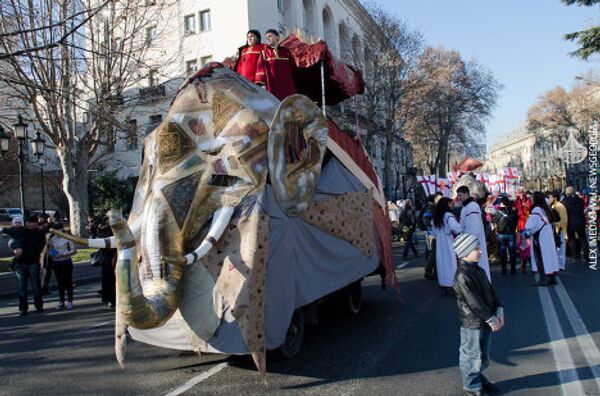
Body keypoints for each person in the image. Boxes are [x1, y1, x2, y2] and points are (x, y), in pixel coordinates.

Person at [452, 233, 504, 396]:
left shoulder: (478, 269)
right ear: (464, 252)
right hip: (472, 323)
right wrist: (490, 317)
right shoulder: (462, 276)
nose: (480, 251)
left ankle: (478, 379)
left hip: (484, 321)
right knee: (471, 356)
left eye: (479, 248)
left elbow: (491, 290)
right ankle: (472, 386)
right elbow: (473, 301)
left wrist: (499, 307)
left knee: (482, 357)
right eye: (476, 249)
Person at [523, 192, 560, 286]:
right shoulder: (546, 209)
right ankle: (552, 278)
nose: (531, 199)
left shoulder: (536, 209)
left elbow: (531, 225)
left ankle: (543, 280)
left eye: (532, 197)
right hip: (548, 236)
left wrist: (526, 233)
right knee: (550, 257)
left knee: (540, 258)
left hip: (540, 238)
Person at [12, 216, 46, 315]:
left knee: (36, 285)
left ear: (35, 223)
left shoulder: (39, 233)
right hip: (20, 263)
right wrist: (14, 249)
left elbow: (39, 247)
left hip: (33, 262)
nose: (29, 224)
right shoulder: (22, 231)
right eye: (28, 222)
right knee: (21, 287)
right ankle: (23, 308)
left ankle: (39, 306)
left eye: (31, 222)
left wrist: (24, 251)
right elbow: (13, 241)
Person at [457, 186, 490, 281]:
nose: (459, 198)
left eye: (460, 195)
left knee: (477, 266)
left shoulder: (472, 206)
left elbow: (474, 227)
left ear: (467, 194)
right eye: (458, 195)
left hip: (473, 243)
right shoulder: (467, 207)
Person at [256, 29, 296, 100]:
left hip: (286, 83)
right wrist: (262, 84)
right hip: (272, 84)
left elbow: (293, 68)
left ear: (277, 37)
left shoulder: (286, 52)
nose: (268, 38)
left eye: (270, 36)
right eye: (266, 37)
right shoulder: (264, 53)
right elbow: (260, 69)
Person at [432, 197, 461, 294]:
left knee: (441, 264)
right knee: (452, 263)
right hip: (449, 242)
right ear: (447, 204)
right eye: (451, 203)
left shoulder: (436, 217)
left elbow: (434, 232)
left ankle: (443, 285)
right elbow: (456, 228)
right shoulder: (448, 215)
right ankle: (453, 285)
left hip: (440, 243)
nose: (452, 205)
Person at [47, 222, 76, 310]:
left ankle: (70, 300)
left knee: (68, 282)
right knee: (60, 283)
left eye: (58, 229)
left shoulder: (67, 238)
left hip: (66, 261)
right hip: (57, 262)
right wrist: (55, 254)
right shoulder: (52, 239)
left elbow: (73, 250)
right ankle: (61, 301)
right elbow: (50, 250)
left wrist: (63, 253)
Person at [561, 186, 589, 262]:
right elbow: (583, 207)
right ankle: (587, 256)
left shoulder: (564, 201)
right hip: (580, 220)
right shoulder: (580, 200)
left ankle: (575, 256)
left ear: (567, 193)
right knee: (583, 239)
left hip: (571, 221)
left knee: (572, 239)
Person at [492, 197, 518, 275]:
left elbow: (495, 223)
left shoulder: (497, 213)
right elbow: (516, 222)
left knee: (502, 253)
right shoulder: (513, 212)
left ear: (502, 203)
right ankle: (513, 270)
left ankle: (504, 270)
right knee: (512, 253)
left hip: (501, 234)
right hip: (511, 233)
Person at [97, 217, 117, 309]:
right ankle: (110, 300)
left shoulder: (115, 230)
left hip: (114, 256)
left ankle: (114, 299)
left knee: (114, 279)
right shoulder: (101, 231)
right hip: (106, 258)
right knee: (108, 279)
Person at [550, 192, 568, 270]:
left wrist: (558, 227)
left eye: (550, 197)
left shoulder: (560, 206)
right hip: (555, 230)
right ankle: (557, 264)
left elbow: (563, 220)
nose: (549, 199)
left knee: (561, 248)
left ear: (555, 198)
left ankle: (561, 265)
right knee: (557, 249)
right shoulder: (553, 206)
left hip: (560, 230)